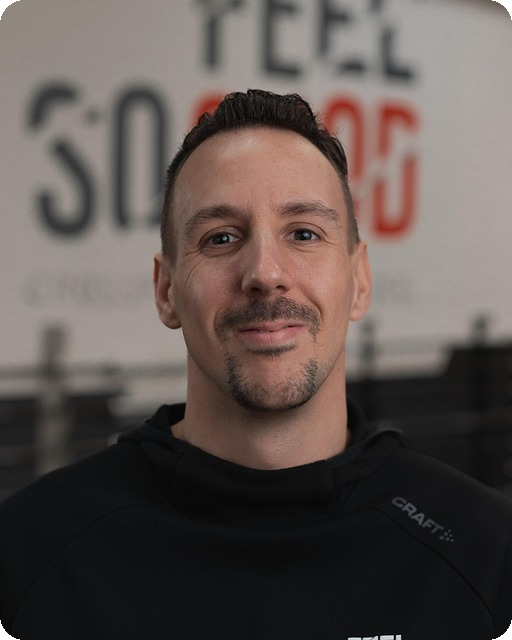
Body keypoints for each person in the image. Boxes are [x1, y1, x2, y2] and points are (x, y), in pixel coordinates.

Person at [1, 89, 511, 640]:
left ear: (359, 280)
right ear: (166, 290)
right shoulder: (26, 556)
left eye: (304, 233)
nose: (265, 273)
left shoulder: (489, 554)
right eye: (220, 238)